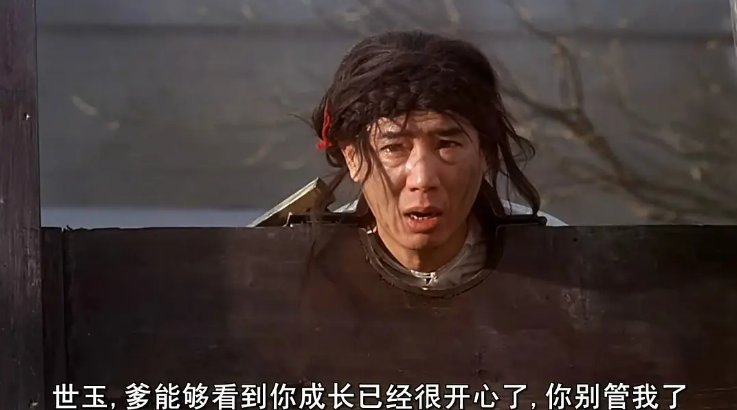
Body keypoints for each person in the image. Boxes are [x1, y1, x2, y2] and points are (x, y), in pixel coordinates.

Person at [275, 30, 565, 292]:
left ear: (485, 152)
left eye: (447, 145)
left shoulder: (562, 259)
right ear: (353, 157)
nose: (423, 179)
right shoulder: (282, 268)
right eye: (394, 148)